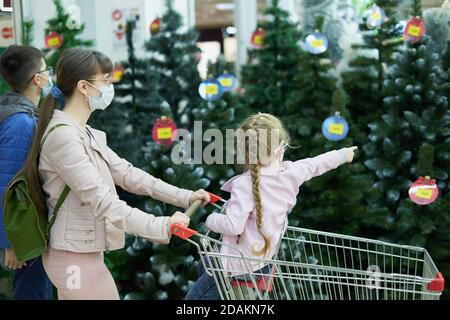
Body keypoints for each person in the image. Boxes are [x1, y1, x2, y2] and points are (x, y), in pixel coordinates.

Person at [22, 47, 210, 300]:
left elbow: (129, 174)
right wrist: (162, 225)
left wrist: (185, 196)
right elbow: (104, 202)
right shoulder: (63, 137)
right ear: (84, 87)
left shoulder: (82, 132)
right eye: (106, 79)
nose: (111, 85)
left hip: (82, 255)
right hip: (73, 261)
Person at [186, 113, 358, 300]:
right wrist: (343, 154)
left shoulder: (244, 184)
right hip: (263, 262)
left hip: (236, 265)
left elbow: (233, 225)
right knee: (206, 263)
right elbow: (317, 164)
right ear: (280, 149)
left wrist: (210, 220)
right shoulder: (292, 172)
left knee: (195, 298)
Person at [0, 45, 54, 300]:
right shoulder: (21, 123)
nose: (49, 75)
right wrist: (10, 243)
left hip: (27, 228)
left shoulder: (20, 113)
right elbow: (8, 184)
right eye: (46, 70)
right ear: (37, 79)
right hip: (24, 233)